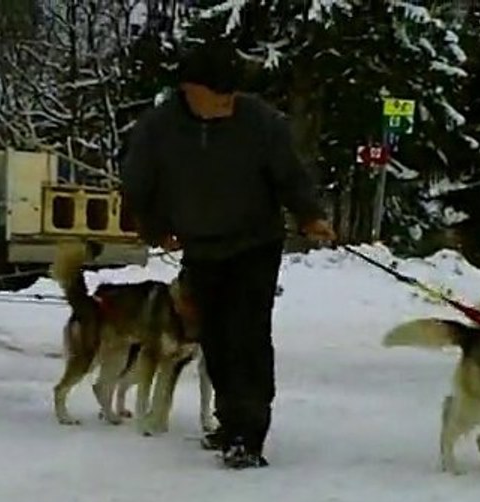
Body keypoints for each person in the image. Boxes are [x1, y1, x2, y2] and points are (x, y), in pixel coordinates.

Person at [120, 39, 336, 469]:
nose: (228, 100)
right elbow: (138, 187)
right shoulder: (157, 130)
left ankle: (248, 433)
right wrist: (155, 229)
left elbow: (290, 175)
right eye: (219, 93)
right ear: (189, 89)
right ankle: (229, 420)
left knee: (248, 335)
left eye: (232, 92)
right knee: (214, 338)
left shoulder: (260, 123)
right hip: (201, 247)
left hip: (255, 243)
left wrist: (310, 214)